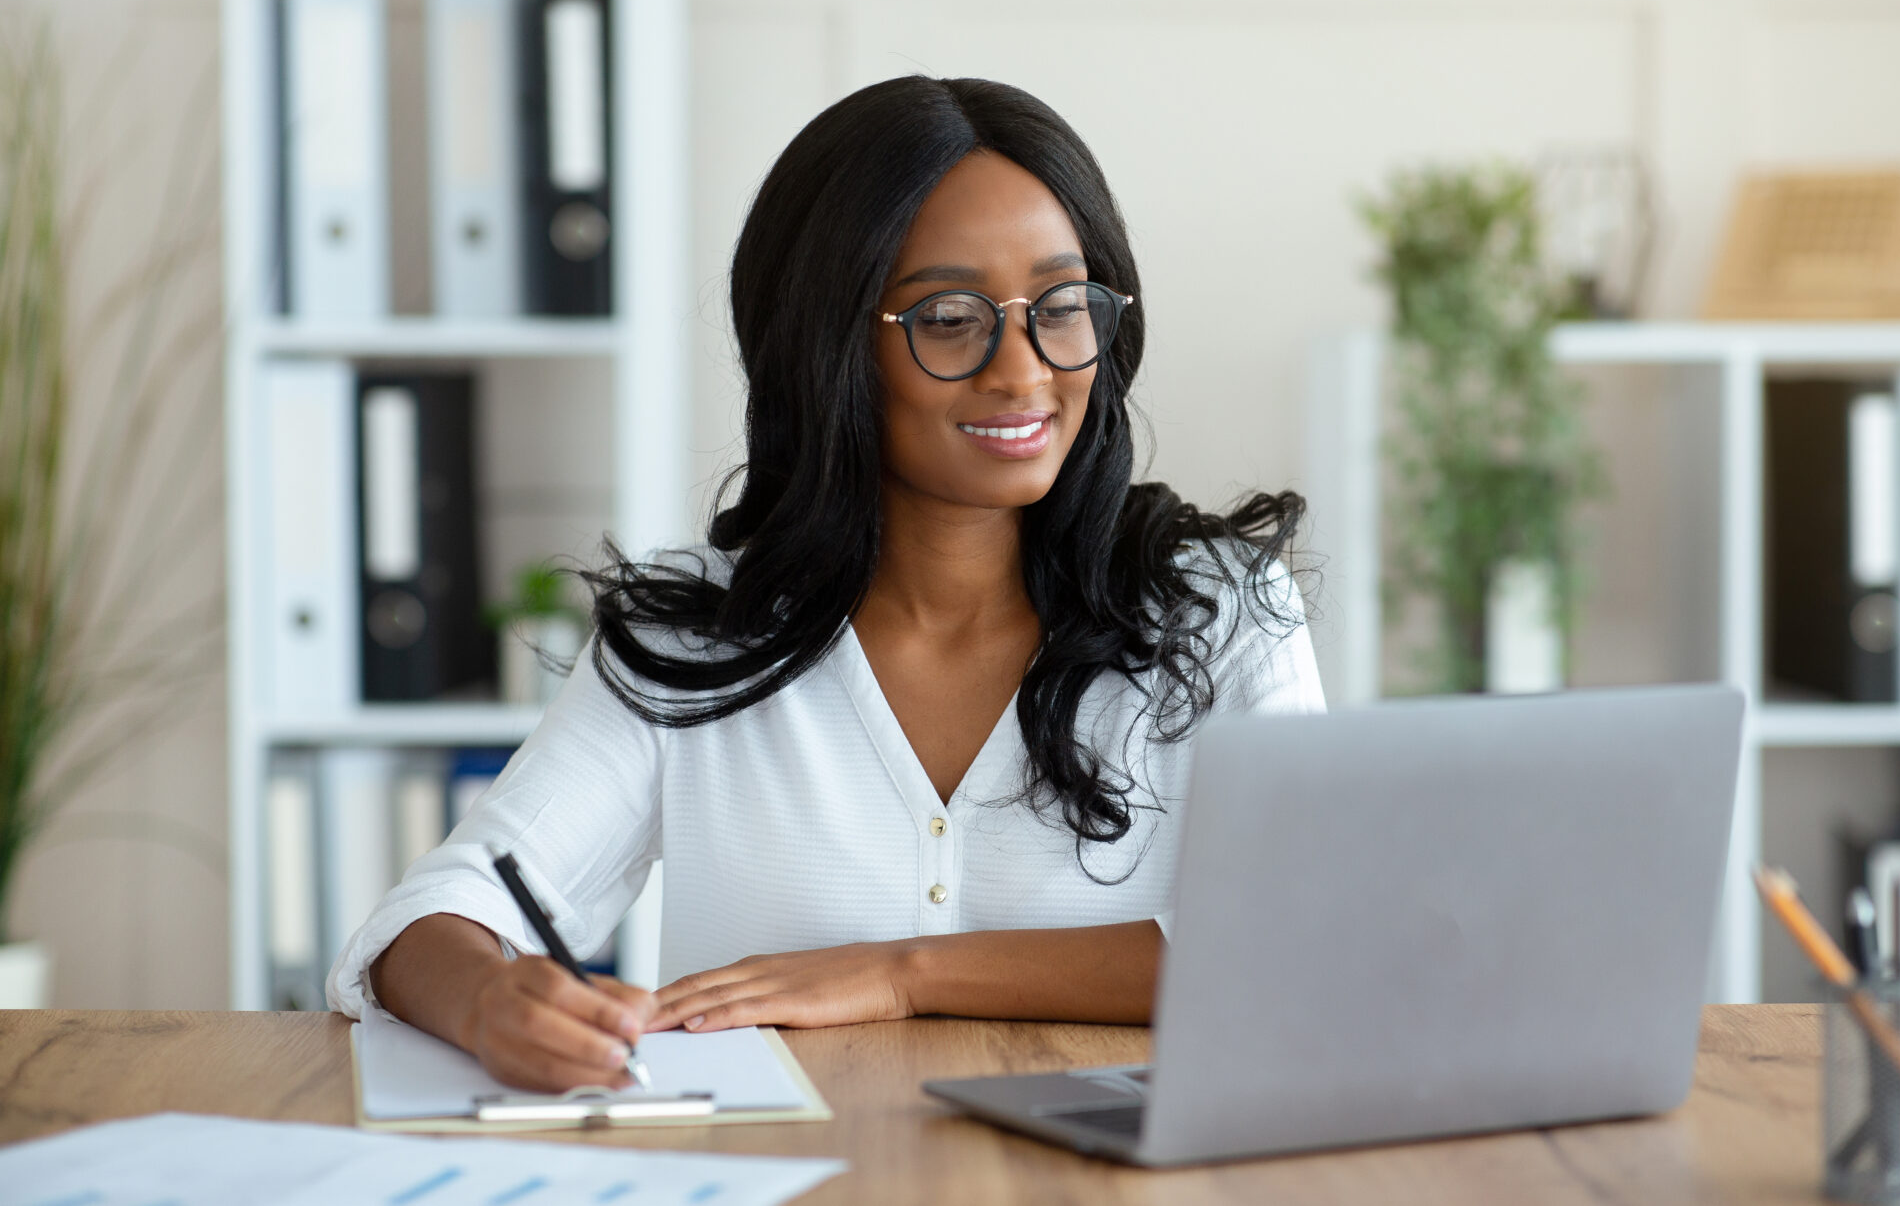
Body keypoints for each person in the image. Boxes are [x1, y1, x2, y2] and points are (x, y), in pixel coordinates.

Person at [329, 76, 1323, 1093]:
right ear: (829, 346)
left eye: (1061, 308)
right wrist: (494, 1001)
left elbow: (1309, 953)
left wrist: (903, 974)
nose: (1024, 372)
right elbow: (428, 921)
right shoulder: (698, 640)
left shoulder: (1220, 615)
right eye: (948, 317)